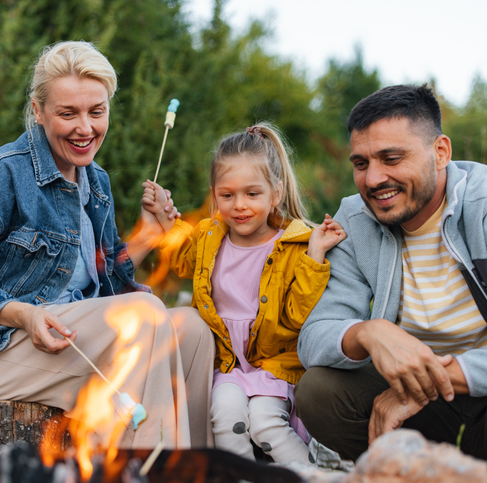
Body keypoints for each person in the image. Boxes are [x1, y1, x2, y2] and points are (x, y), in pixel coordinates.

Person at [0, 40, 215, 450]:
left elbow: (103, 289)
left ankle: (195, 470)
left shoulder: (96, 182)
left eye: (97, 112)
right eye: (67, 113)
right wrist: (23, 315)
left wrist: (147, 238)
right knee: (145, 316)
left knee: (193, 330)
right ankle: (141, 472)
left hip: (58, 342)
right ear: (38, 110)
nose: (85, 128)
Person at [295, 84, 487, 482]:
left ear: (440, 152)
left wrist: (429, 384)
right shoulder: (353, 219)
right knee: (319, 391)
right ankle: (407, 475)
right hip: (419, 416)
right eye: (361, 163)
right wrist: (370, 332)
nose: (374, 178)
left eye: (392, 158)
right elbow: (314, 338)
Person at [141, 123, 347, 464]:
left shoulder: (293, 246)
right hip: (229, 363)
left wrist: (315, 255)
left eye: (252, 194)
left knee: (266, 424)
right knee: (224, 415)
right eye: (227, 195)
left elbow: (297, 316)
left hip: (274, 364)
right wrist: (165, 216)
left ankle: (314, 476)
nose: (239, 205)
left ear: (275, 194)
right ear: (214, 194)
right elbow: (182, 257)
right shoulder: (210, 236)